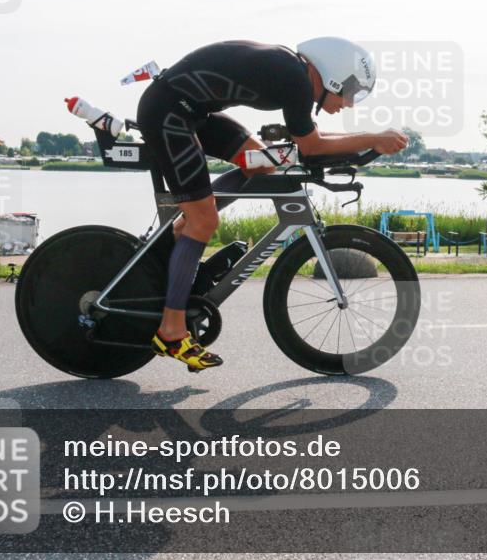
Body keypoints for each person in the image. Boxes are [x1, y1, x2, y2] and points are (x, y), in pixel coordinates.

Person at [136, 38, 408, 372]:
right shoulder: (295, 79)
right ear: (333, 77)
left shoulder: (293, 72)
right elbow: (311, 147)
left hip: (190, 110)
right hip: (169, 112)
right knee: (204, 221)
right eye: (350, 92)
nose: (349, 103)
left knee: (262, 163)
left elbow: (309, 142)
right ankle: (171, 332)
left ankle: (184, 228)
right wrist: (374, 138)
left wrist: (371, 141)